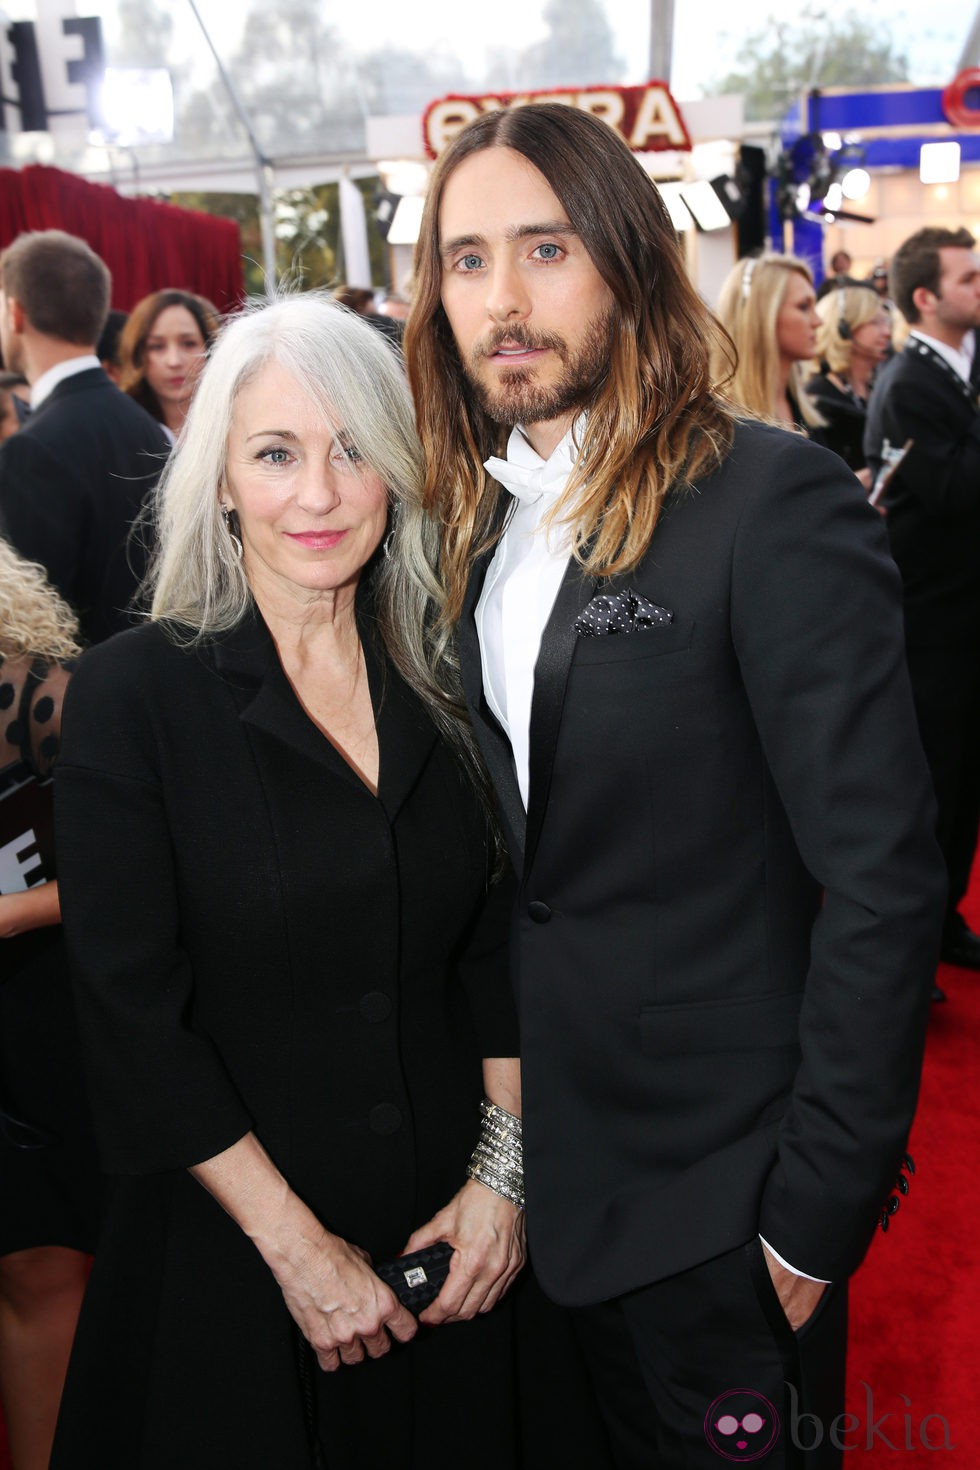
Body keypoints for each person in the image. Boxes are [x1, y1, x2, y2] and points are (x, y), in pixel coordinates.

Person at [404, 102, 945, 1469]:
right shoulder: (472, 529)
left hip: (725, 1211)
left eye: (546, 247)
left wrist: (806, 1220)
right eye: (467, 260)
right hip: (548, 1210)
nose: (504, 300)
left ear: (631, 263)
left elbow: (881, 878)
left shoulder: (766, 502)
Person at [50, 295, 525, 1470]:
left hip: (458, 1250)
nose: (317, 493)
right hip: (237, 1254)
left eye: (352, 449)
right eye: (274, 454)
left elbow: (500, 946)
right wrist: (298, 1250)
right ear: (219, 479)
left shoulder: (452, 673)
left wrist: (504, 1181)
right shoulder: (130, 700)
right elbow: (128, 1011)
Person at [0, 540, 101, 1470]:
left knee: (43, 1269)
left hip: (42, 1025)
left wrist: (8, 914)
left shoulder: (42, 699)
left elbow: (136, 871)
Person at [865, 226, 980, 988]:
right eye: (969, 279)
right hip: (931, 624)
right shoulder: (907, 383)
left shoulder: (960, 373)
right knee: (932, 786)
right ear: (926, 298)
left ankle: (945, 921)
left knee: (964, 782)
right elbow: (959, 495)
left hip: (964, 618)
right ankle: (918, 936)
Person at [0, 231, 170, 646]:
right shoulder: (147, 427)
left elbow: (32, 623)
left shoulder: (33, 448)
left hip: (79, 697)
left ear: (16, 313)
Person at [714, 252, 823, 430]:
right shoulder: (722, 421)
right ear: (762, 316)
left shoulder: (802, 404)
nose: (818, 321)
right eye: (803, 307)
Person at [806, 283, 892, 482]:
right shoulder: (818, 395)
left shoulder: (874, 387)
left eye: (886, 322)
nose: (887, 332)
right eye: (876, 323)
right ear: (844, 329)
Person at [118, 289, 217, 441]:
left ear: (211, 347)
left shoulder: (238, 421)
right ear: (137, 355)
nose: (174, 361)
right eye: (157, 346)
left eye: (188, 343)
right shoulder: (121, 430)